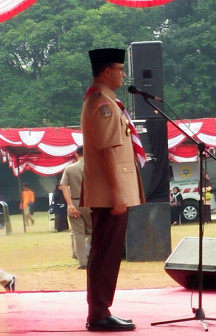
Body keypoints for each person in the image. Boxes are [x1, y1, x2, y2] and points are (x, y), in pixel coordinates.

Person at [81, 48, 145, 332]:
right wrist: (118, 192)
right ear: (106, 71)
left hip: (111, 190)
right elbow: (107, 151)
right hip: (109, 192)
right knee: (105, 253)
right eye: (120, 69)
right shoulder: (101, 103)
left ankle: (101, 310)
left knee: (106, 252)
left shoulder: (106, 100)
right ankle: (98, 314)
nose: (123, 74)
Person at [60, 145, 92, 269]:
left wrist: (70, 205)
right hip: (93, 204)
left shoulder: (69, 169)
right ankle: (93, 258)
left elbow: (64, 187)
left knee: (78, 234)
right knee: (94, 232)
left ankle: (82, 263)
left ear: (76, 155)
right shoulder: (95, 167)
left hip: (76, 204)